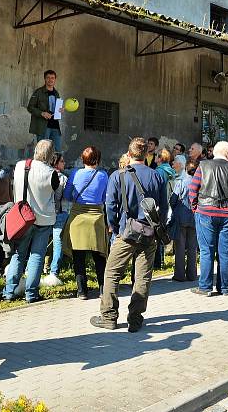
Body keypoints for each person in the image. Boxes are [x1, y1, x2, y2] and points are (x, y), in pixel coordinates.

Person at [91, 137, 169, 332]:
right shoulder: (158, 176)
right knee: (142, 276)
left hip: (126, 231)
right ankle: (135, 319)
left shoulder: (118, 176)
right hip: (149, 232)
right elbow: (164, 207)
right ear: (147, 154)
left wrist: (113, 226)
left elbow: (110, 205)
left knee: (112, 273)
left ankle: (109, 316)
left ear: (129, 152)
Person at [1, 140, 59, 303]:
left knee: (18, 254)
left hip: (22, 218)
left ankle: (9, 292)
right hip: (44, 219)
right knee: (37, 256)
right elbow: (55, 190)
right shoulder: (52, 173)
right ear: (51, 155)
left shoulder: (20, 166)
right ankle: (31, 294)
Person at [189, 141, 228, 297]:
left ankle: (205, 287)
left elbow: (192, 190)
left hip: (205, 212)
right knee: (225, 252)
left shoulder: (203, 166)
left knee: (206, 251)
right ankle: (224, 288)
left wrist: (195, 208)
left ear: (215, 152)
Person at [62, 146, 109, 300]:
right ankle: (103, 289)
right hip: (96, 217)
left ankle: (82, 291)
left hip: (77, 216)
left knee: (78, 255)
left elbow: (67, 194)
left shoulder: (75, 173)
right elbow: (105, 197)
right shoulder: (103, 175)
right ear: (98, 159)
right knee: (99, 255)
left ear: (83, 159)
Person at [170, 154, 197, 282]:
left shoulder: (180, 182)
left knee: (180, 247)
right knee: (192, 247)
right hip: (194, 217)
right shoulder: (195, 181)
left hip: (180, 217)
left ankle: (179, 275)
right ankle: (192, 275)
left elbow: (173, 200)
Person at [43, 152, 69, 287]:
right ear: (56, 163)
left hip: (44, 214)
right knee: (57, 244)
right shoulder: (62, 178)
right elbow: (60, 196)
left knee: (41, 241)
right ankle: (54, 271)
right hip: (58, 213)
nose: (64, 163)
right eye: (62, 161)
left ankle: (37, 268)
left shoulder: (44, 175)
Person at [27, 69, 63, 151]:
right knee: (43, 152)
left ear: (55, 80)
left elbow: (56, 109)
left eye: (52, 78)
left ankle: (54, 164)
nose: (50, 80)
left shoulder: (56, 93)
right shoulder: (38, 92)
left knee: (57, 151)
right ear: (45, 79)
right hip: (43, 127)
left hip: (55, 126)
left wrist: (60, 110)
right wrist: (42, 113)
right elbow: (30, 107)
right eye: (48, 77)